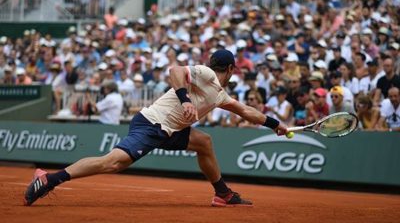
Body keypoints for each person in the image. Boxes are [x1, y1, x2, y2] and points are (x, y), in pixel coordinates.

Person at [24, 50, 288, 207]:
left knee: (204, 142)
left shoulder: (219, 95)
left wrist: (275, 125)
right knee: (114, 163)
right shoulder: (205, 73)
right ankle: (49, 179)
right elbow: (175, 70)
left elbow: (245, 111)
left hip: (171, 130)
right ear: (230, 69)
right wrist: (185, 99)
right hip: (153, 123)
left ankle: (223, 194)